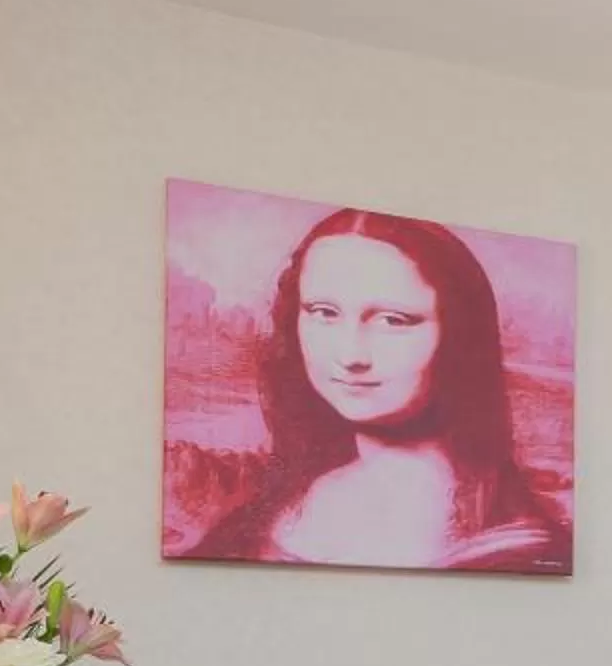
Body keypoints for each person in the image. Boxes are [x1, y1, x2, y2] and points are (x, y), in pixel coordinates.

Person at [191, 208, 571, 571]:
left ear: (458, 334)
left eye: (393, 320)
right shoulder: (287, 498)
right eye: (324, 312)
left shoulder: (516, 547)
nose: (351, 354)